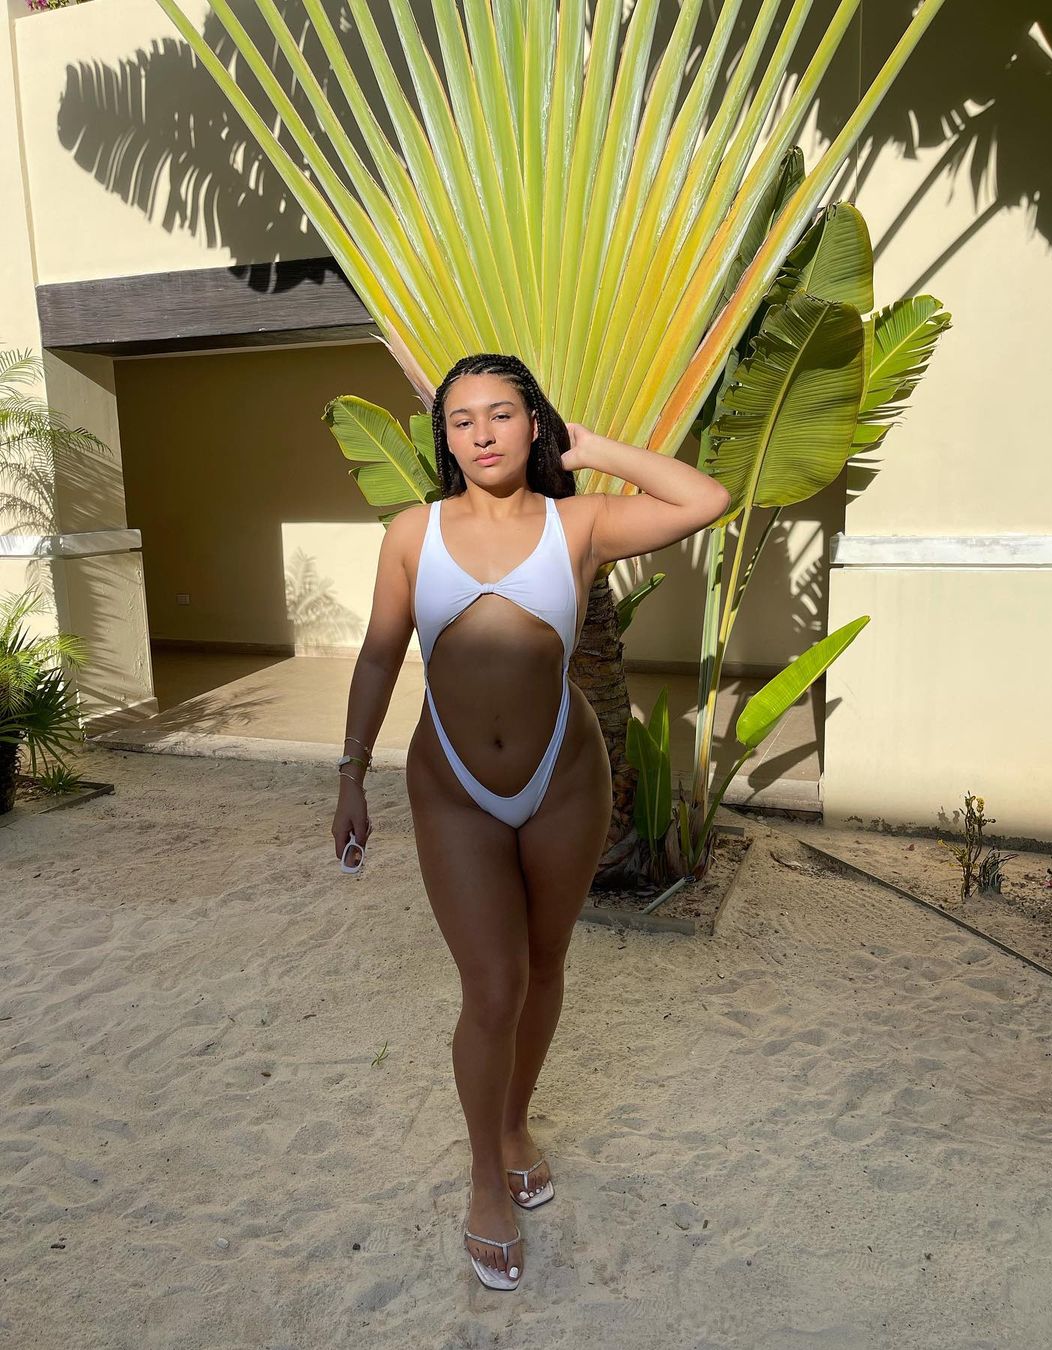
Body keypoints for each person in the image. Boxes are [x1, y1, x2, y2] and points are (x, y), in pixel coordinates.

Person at [332, 352, 730, 1291]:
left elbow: (704, 499)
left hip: (563, 775)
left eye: (502, 413)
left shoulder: (577, 522)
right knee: (492, 987)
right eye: (461, 419)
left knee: (545, 964)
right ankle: (485, 1178)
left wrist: (591, 448)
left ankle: (515, 1126)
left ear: (534, 423)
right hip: (452, 782)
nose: (481, 433)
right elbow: (380, 655)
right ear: (445, 438)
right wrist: (350, 773)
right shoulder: (413, 533)